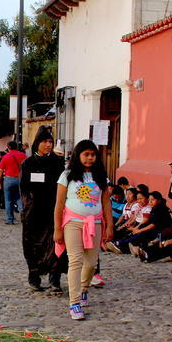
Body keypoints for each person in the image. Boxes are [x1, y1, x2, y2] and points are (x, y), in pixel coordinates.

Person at [53, 140, 112, 320]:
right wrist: (57, 228)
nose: (89, 158)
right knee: (75, 261)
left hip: (95, 224)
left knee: (91, 262)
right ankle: (75, 302)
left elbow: (106, 203)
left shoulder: (101, 176)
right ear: (78, 155)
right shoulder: (67, 175)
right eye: (86, 154)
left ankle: (84, 288)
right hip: (73, 222)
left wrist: (110, 225)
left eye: (92, 155)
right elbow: (59, 203)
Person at [21, 126, 67, 292]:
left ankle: (55, 279)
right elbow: (24, 189)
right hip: (33, 212)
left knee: (56, 245)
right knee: (34, 246)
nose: (48, 145)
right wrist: (28, 207)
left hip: (53, 210)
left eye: (50, 142)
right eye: (45, 141)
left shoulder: (56, 162)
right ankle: (34, 277)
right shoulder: (28, 163)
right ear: (37, 143)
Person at [0, 141, 26, 225]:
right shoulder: (23, 156)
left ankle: (10, 219)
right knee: (20, 199)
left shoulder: (5, 157)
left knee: (8, 200)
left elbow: (0, 171)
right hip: (20, 179)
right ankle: (23, 216)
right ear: (17, 147)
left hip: (9, 179)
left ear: (8, 147)